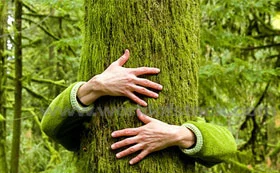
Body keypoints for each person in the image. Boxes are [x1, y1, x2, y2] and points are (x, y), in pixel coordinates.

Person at [41, 49, 237, 167]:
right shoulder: (84, 122)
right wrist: (96, 86)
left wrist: (177, 134)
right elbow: (50, 124)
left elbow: (228, 147)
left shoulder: (182, 120)